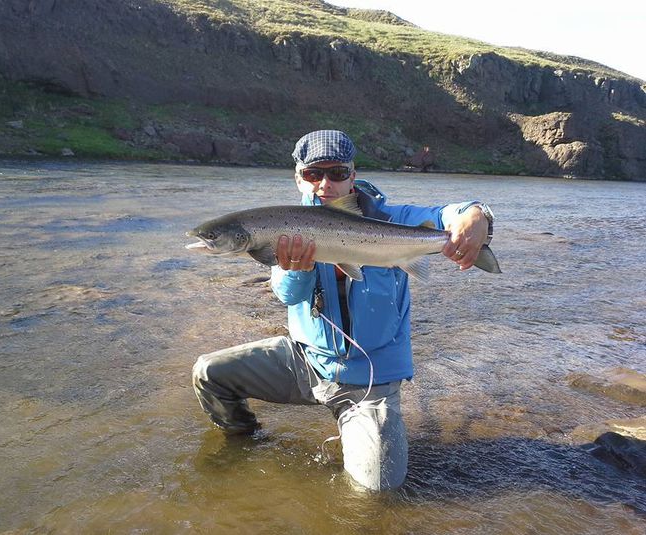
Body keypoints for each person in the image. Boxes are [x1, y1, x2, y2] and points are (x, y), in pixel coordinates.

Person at [192, 130, 494, 491]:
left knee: (376, 492)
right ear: (299, 178)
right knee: (208, 372)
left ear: (352, 175)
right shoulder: (286, 228)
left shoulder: (391, 217)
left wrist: (477, 216)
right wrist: (294, 270)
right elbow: (288, 297)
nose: (325, 184)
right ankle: (244, 440)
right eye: (313, 174)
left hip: (370, 381)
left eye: (336, 174)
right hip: (307, 361)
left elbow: (450, 212)